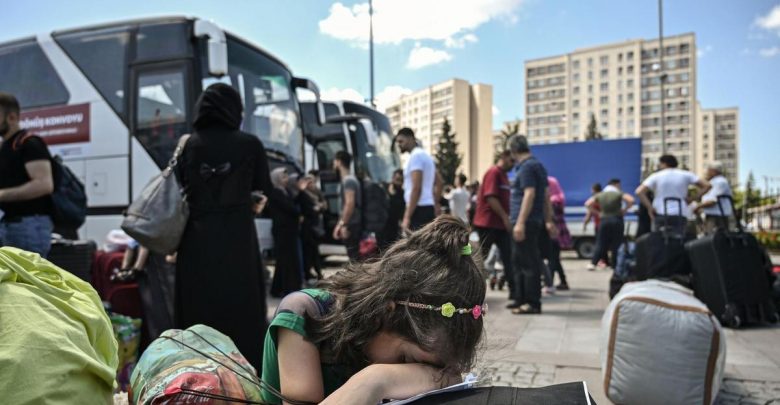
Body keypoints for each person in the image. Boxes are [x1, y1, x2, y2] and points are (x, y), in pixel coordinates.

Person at [260, 216, 485, 404]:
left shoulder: (400, 346)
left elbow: (453, 378)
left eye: (427, 367)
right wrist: (374, 380)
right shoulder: (303, 315)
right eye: (406, 359)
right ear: (386, 311)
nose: (408, 372)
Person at [174, 83, 272, 372]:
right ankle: (245, 373)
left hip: (196, 239)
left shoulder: (187, 145)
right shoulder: (250, 144)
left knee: (198, 306)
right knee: (241, 306)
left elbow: (181, 185)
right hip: (237, 237)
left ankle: (196, 375)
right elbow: (264, 187)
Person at [0, 92, 55, 257]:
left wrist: (2, 195)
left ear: (11, 118)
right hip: (10, 225)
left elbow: (44, 184)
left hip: (29, 226)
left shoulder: (30, 143)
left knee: (28, 273)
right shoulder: (6, 147)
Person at [508, 135, 553, 315]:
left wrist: (520, 223)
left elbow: (529, 194)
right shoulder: (537, 166)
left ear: (513, 150)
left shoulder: (527, 167)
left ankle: (532, 302)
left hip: (525, 221)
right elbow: (546, 196)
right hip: (532, 220)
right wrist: (548, 220)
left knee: (528, 263)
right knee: (519, 261)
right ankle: (521, 299)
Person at [473, 150, 515, 302]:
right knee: (479, 259)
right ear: (503, 156)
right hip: (488, 224)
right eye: (511, 160)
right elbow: (491, 197)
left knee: (509, 258)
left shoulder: (504, 176)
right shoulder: (493, 172)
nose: (513, 164)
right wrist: (505, 217)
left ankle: (515, 292)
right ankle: (471, 290)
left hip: (500, 225)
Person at [636, 154, 711, 236]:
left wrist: (649, 207)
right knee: (679, 238)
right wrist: (693, 198)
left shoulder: (656, 176)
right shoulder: (686, 174)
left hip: (660, 212)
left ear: (664, 163)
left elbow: (639, 191)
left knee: (658, 238)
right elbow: (707, 186)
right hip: (680, 212)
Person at [268, 167, 308, 298]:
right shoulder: (275, 192)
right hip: (282, 231)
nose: (286, 179)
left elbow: (294, 204)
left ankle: (277, 289)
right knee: (286, 260)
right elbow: (289, 208)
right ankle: (288, 288)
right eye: (283, 177)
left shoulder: (285, 191)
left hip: (289, 230)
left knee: (284, 261)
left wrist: (300, 192)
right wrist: (298, 214)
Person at [395, 128, 442, 232]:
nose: (399, 145)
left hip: (418, 210)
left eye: (401, 141)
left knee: (416, 242)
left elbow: (416, 188)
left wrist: (407, 217)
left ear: (410, 138)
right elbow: (439, 182)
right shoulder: (426, 156)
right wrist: (435, 203)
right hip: (427, 208)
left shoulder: (416, 156)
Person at [585, 178, 635, 271]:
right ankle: (615, 264)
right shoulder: (618, 193)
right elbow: (631, 200)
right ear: (616, 185)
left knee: (601, 242)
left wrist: (598, 213)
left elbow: (587, 204)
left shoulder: (600, 194)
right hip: (617, 219)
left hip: (604, 220)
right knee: (617, 243)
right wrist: (625, 210)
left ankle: (593, 263)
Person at [332, 151, 362, 261]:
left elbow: (349, 204)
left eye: (334, 161)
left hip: (351, 225)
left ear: (339, 162)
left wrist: (342, 224)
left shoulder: (348, 181)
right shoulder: (349, 180)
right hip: (351, 223)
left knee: (353, 258)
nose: (333, 164)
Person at [543, 176, 571, 290]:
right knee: (555, 258)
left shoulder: (551, 202)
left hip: (553, 232)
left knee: (552, 258)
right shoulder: (559, 200)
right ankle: (563, 281)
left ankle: (549, 283)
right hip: (560, 232)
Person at [695, 161, 734, 234]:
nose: (707, 173)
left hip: (718, 216)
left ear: (713, 171)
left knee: (713, 237)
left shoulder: (720, 182)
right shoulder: (713, 182)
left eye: (708, 170)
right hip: (713, 214)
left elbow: (712, 201)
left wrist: (697, 207)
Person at [381, 169, 405, 249]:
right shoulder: (384, 187)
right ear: (393, 178)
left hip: (394, 227)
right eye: (397, 179)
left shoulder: (402, 193)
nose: (399, 183)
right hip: (382, 226)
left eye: (401, 180)